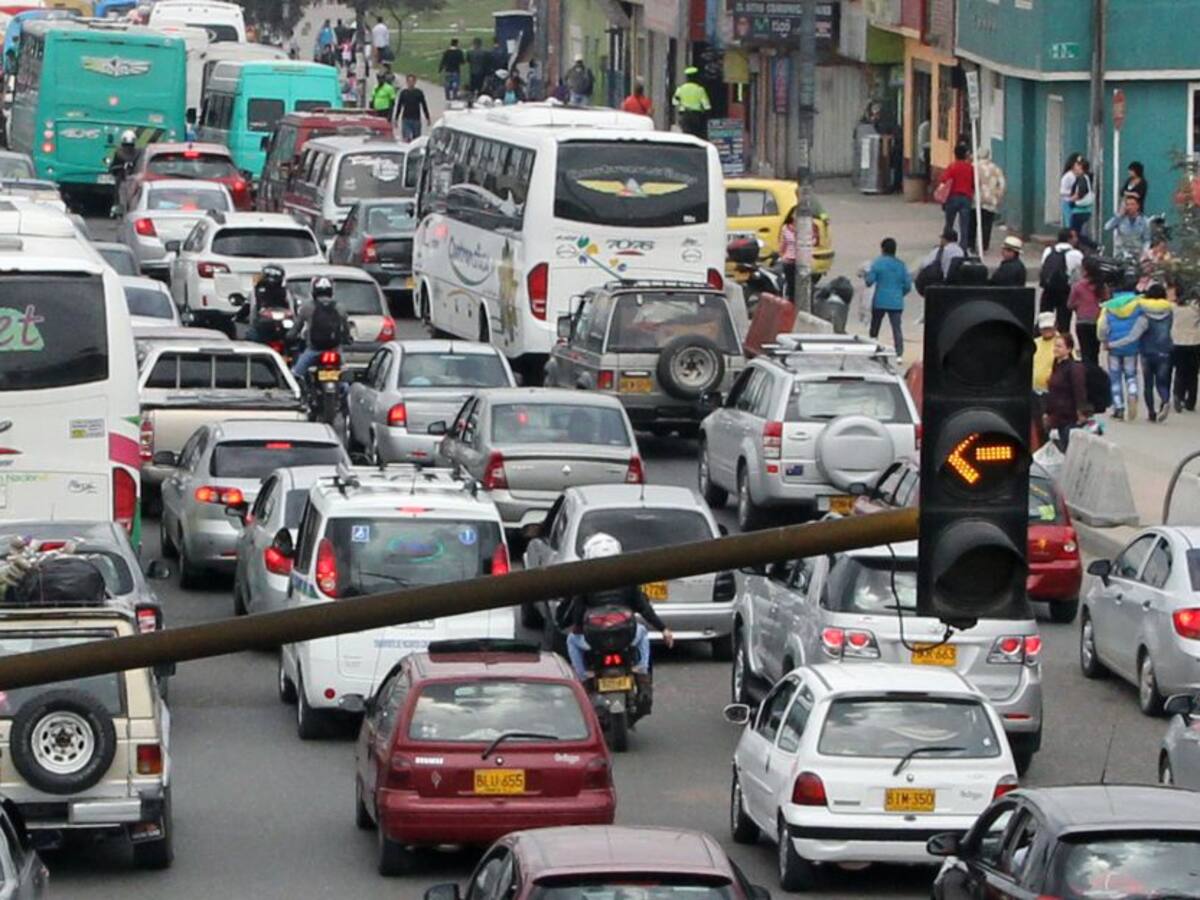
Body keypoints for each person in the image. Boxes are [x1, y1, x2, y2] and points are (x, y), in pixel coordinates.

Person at [555, 533, 674, 711]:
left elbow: (577, 612)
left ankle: (584, 681)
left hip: (592, 642)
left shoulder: (584, 580)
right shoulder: (627, 578)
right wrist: (663, 629)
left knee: (571, 640)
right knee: (642, 634)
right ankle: (642, 674)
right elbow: (644, 608)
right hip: (627, 639)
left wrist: (577, 627)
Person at [1097, 290, 1145, 420]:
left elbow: (1102, 327)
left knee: (1115, 378)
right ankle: (1133, 392)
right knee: (1131, 374)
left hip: (1114, 349)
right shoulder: (1137, 306)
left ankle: (1119, 408)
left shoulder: (1110, 308)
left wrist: (1104, 340)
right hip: (1132, 348)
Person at [290, 276, 349, 380]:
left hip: (313, 350)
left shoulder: (307, 307)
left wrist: (290, 337)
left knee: (295, 375)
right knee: (344, 378)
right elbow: (345, 328)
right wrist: (347, 339)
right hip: (335, 350)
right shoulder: (340, 307)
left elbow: (297, 327)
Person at [864, 237, 912, 360]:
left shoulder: (877, 263)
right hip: (896, 302)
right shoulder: (901, 265)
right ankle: (899, 354)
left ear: (883, 249)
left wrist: (866, 274)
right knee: (896, 328)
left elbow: (869, 282)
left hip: (880, 300)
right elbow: (907, 285)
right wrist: (899, 294)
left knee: (875, 327)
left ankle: (873, 350)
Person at [1134, 285, 1175, 423]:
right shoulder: (1169, 310)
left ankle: (1151, 413)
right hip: (1164, 349)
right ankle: (1164, 400)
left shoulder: (1142, 310)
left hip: (1146, 350)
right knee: (1162, 381)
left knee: (1148, 383)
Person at [1043, 333, 1087, 449]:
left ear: (1069, 349)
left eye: (1059, 346)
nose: (1055, 349)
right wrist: (1047, 412)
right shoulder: (1056, 364)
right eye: (1055, 346)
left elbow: (1079, 391)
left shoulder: (1074, 368)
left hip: (1069, 418)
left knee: (1067, 449)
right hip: (1056, 416)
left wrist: (1081, 412)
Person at [1040, 228, 1083, 335]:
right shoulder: (1076, 254)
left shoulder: (1048, 250)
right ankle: (1063, 344)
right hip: (1065, 291)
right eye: (1075, 237)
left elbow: (1043, 267)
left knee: (1044, 319)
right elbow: (1079, 275)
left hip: (1048, 289)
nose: (1076, 239)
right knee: (1064, 321)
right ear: (1070, 239)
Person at [1069, 256, 1107, 365]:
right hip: (1097, 321)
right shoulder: (1101, 285)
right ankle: (1094, 373)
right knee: (1095, 352)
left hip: (1082, 321)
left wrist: (1079, 305)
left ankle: (1085, 376)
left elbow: (1070, 304)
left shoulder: (1078, 286)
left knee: (1085, 351)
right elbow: (1107, 301)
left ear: (1085, 270)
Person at [937, 143, 975, 248]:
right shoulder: (970, 168)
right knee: (964, 225)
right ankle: (964, 246)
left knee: (949, 223)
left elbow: (944, 180)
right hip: (966, 198)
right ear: (965, 155)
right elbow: (974, 183)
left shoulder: (952, 167)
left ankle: (946, 243)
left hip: (953, 197)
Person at [1172, 293, 1200, 413]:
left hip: (1178, 343)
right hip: (1195, 343)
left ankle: (1179, 395)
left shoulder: (1175, 309)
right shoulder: (1197, 310)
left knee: (1180, 372)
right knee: (1193, 374)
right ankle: (1190, 402)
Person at [1104, 193, 1151, 262]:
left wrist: (1145, 252)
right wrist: (1119, 215)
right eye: (1127, 204)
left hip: (1137, 254)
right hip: (1121, 254)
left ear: (1137, 206)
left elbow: (1147, 240)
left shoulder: (1144, 221)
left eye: (1132, 204)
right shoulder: (1120, 219)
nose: (1130, 207)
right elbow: (1107, 227)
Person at [975, 148, 1006, 253]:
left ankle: (973, 244)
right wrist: (997, 197)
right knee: (987, 224)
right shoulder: (996, 168)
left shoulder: (974, 167)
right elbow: (1002, 184)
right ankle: (984, 245)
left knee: (974, 223)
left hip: (976, 200)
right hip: (991, 201)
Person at [672, 66, 711, 138]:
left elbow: (674, 102)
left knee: (686, 135)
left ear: (687, 77)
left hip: (684, 115)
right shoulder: (700, 89)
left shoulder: (680, 89)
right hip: (696, 116)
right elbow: (707, 106)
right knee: (696, 135)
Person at [108, 129, 139, 212]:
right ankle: (117, 205)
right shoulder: (138, 152)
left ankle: (116, 204)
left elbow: (113, 166)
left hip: (125, 179)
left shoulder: (118, 152)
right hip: (131, 178)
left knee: (117, 188)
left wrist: (112, 169)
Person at [395, 74, 431, 141]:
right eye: (409, 81)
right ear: (407, 82)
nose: (410, 83)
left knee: (416, 139)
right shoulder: (403, 93)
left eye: (412, 81)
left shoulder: (419, 93)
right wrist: (396, 118)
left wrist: (427, 117)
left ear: (415, 82)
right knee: (406, 138)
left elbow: (424, 105)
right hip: (406, 119)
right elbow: (399, 106)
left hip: (416, 119)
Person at [1069, 157, 1095, 246]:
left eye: (1076, 166)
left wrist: (1071, 199)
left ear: (1081, 167)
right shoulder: (1084, 178)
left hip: (1080, 210)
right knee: (1076, 232)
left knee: (1074, 233)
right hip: (1083, 210)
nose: (1074, 168)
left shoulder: (1082, 178)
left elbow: (1081, 193)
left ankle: (1094, 246)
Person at [1032, 312, 1058, 394]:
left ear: (1055, 326)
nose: (1047, 330)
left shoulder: (1061, 343)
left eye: (1049, 327)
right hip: (1034, 390)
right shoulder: (1034, 343)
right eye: (1044, 328)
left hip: (1054, 392)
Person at [778, 210, 797, 300]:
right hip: (789, 261)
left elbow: (813, 241)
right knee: (791, 286)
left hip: (801, 262)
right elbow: (783, 244)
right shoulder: (785, 228)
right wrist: (781, 256)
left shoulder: (805, 228)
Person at [1059, 152, 1082, 227]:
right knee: (1071, 223)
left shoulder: (1079, 176)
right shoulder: (1068, 176)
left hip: (1077, 203)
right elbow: (1062, 191)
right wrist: (1072, 193)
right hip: (1068, 203)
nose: (1080, 166)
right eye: (1078, 164)